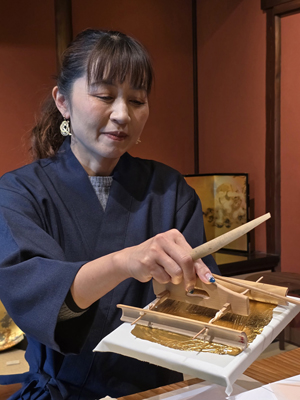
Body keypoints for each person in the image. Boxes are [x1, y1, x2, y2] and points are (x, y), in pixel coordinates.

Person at [0, 29, 220, 400]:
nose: (122, 114)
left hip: (155, 392)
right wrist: (125, 261)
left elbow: (197, 305)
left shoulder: (170, 190)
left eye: (137, 100)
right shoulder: (19, 193)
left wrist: (198, 297)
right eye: (104, 95)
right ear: (63, 102)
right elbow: (44, 304)